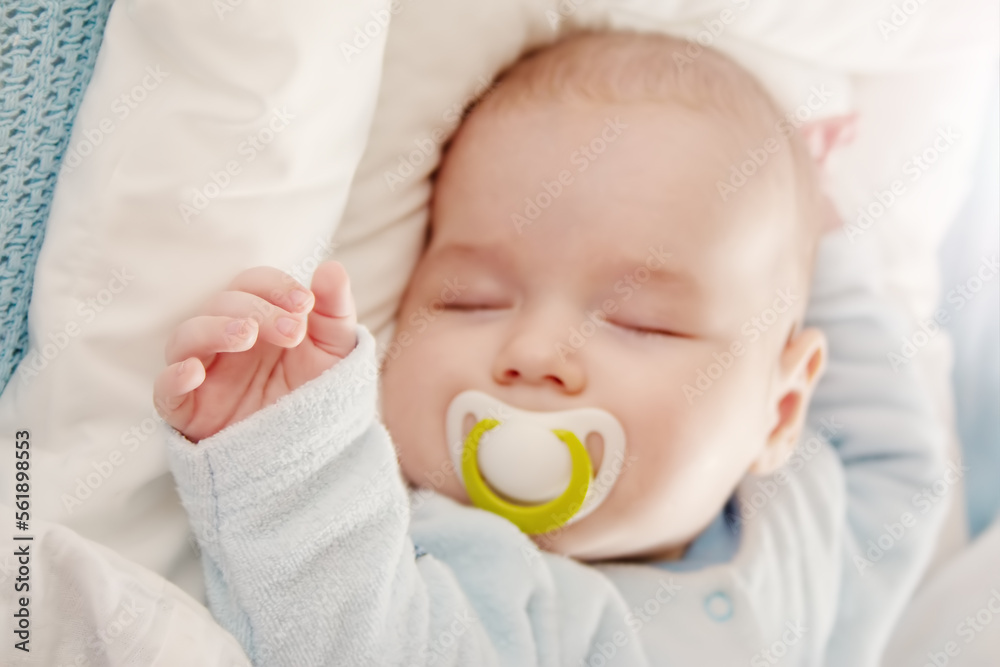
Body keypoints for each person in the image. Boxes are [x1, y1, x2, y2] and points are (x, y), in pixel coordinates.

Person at [155, 31, 946, 666]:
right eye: (472, 301)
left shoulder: (808, 527)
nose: (533, 350)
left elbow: (903, 465)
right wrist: (286, 457)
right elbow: (344, 638)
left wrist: (819, 235)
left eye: (641, 322)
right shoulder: (445, 571)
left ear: (780, 410)